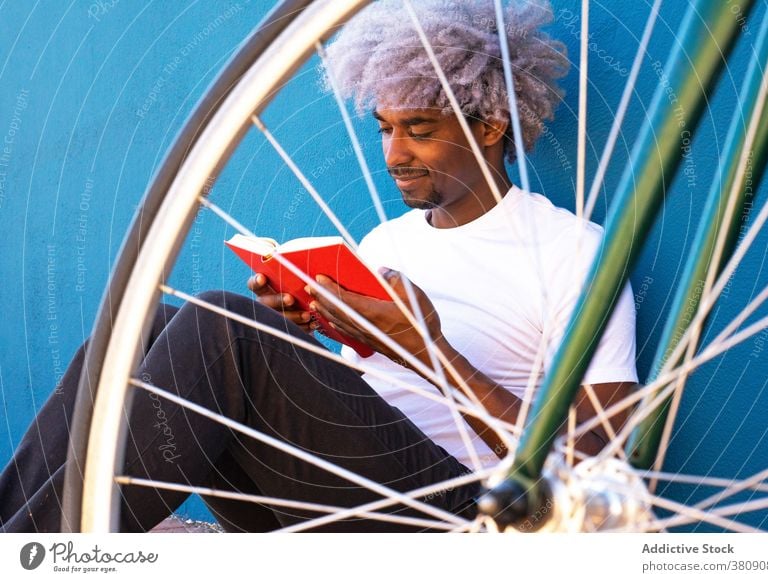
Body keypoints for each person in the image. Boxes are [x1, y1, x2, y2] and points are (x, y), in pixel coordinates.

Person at [0, 0, 638, 533]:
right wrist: (304, 329)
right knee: (134, 332)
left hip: (468, 516)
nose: (394, 154)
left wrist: (430, 349)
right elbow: (357, 406)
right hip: (335, 493)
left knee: (224, 327)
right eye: (383, 128)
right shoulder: (386, 244)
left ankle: (45, 550)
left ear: (492, 124)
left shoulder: (573, 252)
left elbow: (591, 465)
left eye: (418, 128)